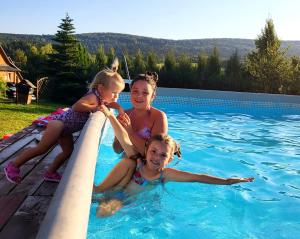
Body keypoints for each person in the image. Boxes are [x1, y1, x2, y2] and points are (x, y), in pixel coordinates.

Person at [93, 105, 254, 217]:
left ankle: (101, 198)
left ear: (169, 160)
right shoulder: (139, 161)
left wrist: (226, 181)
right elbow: (123, 136)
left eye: (163, 155)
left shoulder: (165, 175)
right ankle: (98, 191)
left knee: (102, 214)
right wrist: (109, 115)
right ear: (147, 149)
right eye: (154, 152)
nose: (156, 157)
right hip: (117, 192)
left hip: (131, 203)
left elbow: (197, 177)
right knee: (127, 163)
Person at [4, 64, 125, 184]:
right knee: (41, 149)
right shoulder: (93, 97)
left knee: (68, 152)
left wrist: (119, 108)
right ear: (101, 88)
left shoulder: (101, 97)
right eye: (114, 92)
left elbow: (110, 104)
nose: (116, 96)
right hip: (59, 124)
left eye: (118, 93)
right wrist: (94, 108)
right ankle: (13, 165)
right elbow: (76, 106)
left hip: (66, 129)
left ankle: (50, 172)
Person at [113, 71, 168, 155]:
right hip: (127, 160)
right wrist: (120, 130)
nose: (139, 96)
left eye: (145, 92)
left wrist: (130, 132)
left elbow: (155, 154)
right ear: (130, 92)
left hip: (149, 165)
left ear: (153, 96)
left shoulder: (158, 117)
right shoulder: (124, 115)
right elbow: (117, 150)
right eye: (135, 91)